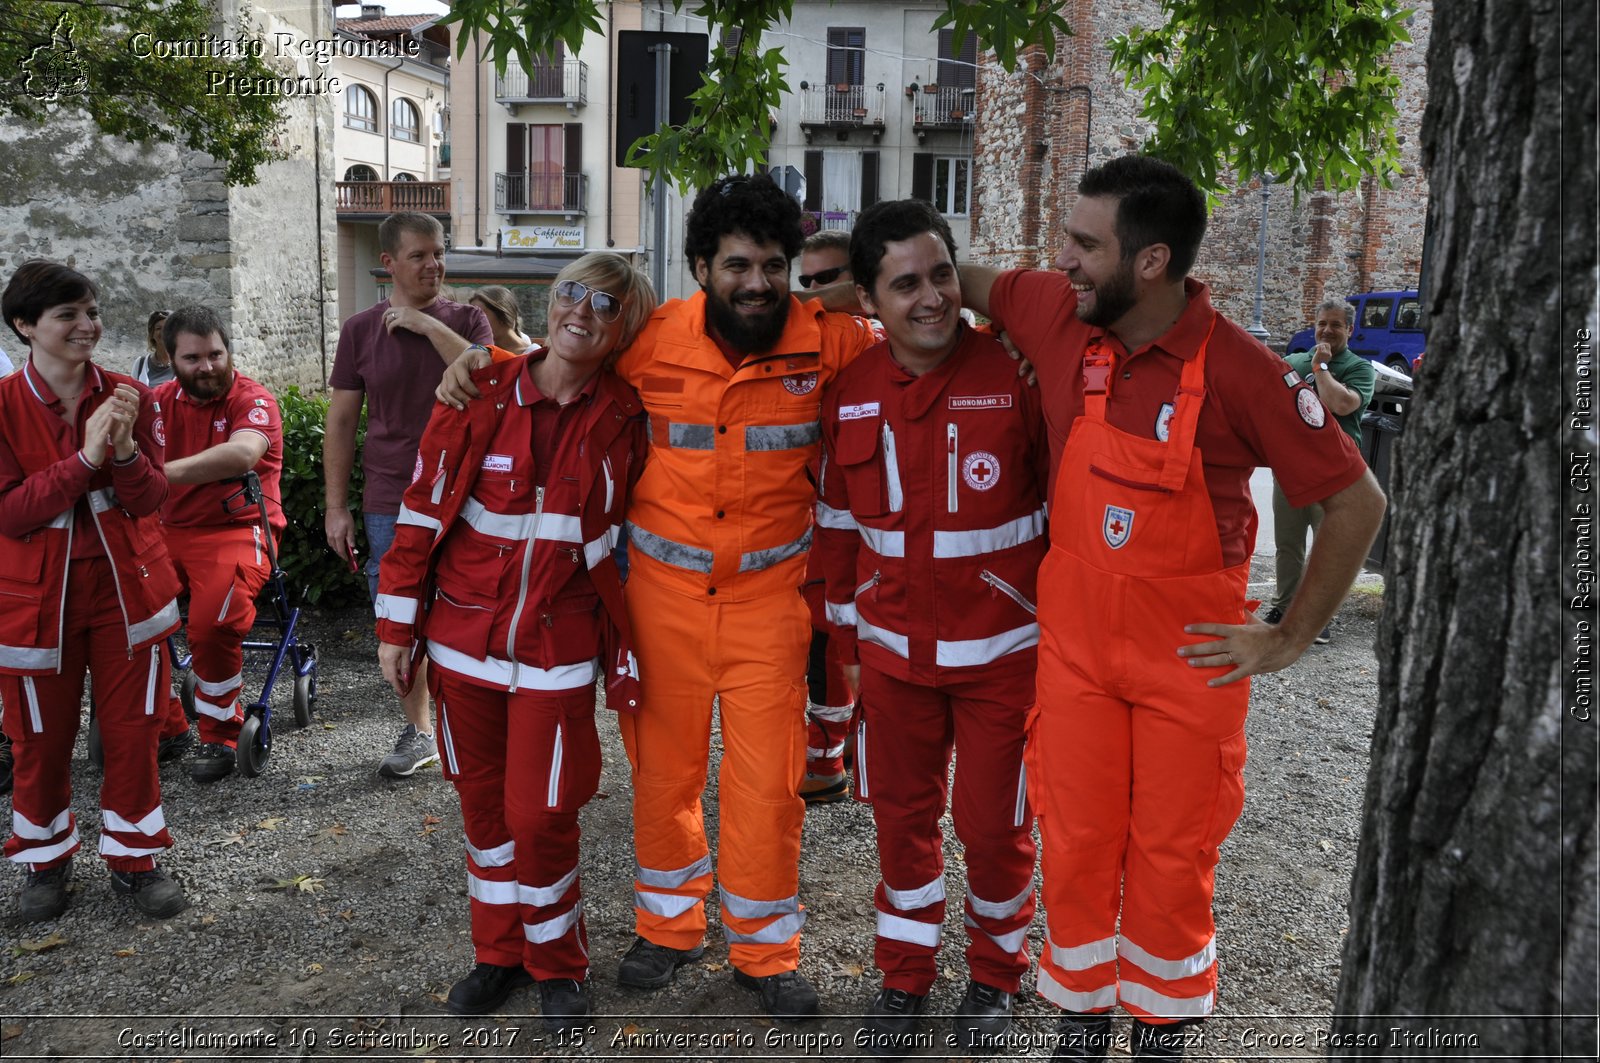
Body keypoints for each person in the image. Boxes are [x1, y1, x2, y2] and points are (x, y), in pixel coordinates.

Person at [958, 155, 1386, 1060]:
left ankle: (1162, 1024)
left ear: (1150, 263)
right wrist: (854, 276)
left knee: (1170, 851)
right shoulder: (1052, 310)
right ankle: (1078, 1016)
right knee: (1074, 837)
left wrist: (1286, 637)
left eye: (1084, 243)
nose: (1061, 259)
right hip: (1075, 659)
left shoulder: (1242, 368)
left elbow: (1358, 502)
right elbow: (955, 276)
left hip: (1188, 666)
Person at [437, 174, 880, 1021]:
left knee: (768, 785)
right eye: (738, 265)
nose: (757, 283)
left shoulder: (831, 343)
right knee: (664, 776)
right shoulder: (651, 339)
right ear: (700, 266)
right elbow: (557, 359)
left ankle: (764, 949)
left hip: (768, 604)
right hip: (661, 607)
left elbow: (922, 331)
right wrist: (473, 361)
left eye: (775, 267)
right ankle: (669, 927)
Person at [374, 252, 654, 1025]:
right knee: (484, 811)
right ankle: (499, 952)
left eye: (606, 305)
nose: (582, 312)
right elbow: (423, 512)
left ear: (622, 329)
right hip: (462, 645)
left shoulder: (631, 414)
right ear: (551, 299)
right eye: (572, 293)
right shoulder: (480, 388)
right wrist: (396, 625)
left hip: (558, 651)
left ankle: (559, 961)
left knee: (543, 814)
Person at [814, 200, 1049, 1054]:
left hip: (1003, 660)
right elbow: (837, 532)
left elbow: (1060, 514)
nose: (932, 297)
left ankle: (995, 975)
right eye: (905, 282)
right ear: (870, 301)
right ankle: (904, 978)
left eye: (942, 273)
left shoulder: (1018, 376)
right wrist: (844, 647)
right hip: (893, 660)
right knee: (901, 822)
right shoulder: (850, 394)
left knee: (994, 827)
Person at [0, 260, 188, 921]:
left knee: (134, 732)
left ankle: (136, 861)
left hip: (126, 593)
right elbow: (11, 512)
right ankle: (46, 862)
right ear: (26, 326)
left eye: (93, 311)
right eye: (68, 315)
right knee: (39, 738)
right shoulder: (0, 404)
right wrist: (84, 459)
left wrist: (129, 450)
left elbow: (149, 499)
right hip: (32, 603)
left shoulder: (131, 391)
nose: (89, 325)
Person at [323, 211, 493, 779]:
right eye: (418, 255)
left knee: (471, 608)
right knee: (399, 615)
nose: (433, 264)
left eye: (439, 252)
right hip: (391, 495)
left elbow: (485, 374)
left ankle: (468, 717)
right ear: (389, 263)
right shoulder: (359, 331)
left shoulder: (469, 319)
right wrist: (336, 507)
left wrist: (422, 325)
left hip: (470, 492)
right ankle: (420, 728)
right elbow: (342, 423)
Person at [150, 306, 284, 783]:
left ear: (229, 350)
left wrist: (158, 475)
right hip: (164, 530)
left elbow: (243, 452)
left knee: (210, 624)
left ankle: (220, 730)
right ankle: (167, 724)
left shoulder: (254, 399)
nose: (207, 367)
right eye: (193, 358)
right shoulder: (156, 402)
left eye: (216, 354)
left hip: (237, 528)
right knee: (127, 616)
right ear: (169, 356)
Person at [1262, 298, 1376, 643]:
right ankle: (1283, 606)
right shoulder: (1292, 361)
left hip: (1334, 474)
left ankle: (1316, 618)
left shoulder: (1359, 368)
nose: (1327, 330)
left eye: (1336, 325)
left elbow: (1341, 404)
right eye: (1322, 323)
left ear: (1350, 330)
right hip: (1292, 469)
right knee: (1288, 545)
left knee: (1327, 548)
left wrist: (1322, 369)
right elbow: (1266, 398)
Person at [795, 229, 863, 805]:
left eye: (829, 277)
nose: (815, 291)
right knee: (822, 641)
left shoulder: (862, 335)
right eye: (806, 281)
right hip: (814, 514)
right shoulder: (812, 332)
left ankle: (828, 759)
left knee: (835, 642)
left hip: (861, 517)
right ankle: (829, 753)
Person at [468, 286, 539, 355]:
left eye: (480, 315)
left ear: (503, 315)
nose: (472, 322)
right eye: (471, 316)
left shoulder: (534, 355)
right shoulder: (478, 354)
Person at [131, 310, 175, 388]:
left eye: (167, 328)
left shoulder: (182, 364)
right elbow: (132, 391)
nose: (163, 332)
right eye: (158, 328)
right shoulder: (140, 363)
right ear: (152, 334)